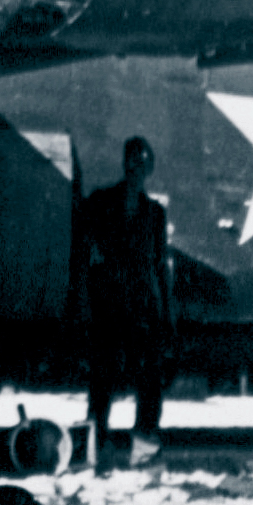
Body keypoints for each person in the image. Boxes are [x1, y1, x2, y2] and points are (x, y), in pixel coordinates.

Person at [72, 135, 176, 468]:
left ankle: (142, 453)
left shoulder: (154, 213)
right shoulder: (102, 203)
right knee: (102, 383)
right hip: (108, 305)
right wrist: (84, 301)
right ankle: (92, 451)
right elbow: (83, 250)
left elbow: (160, 265)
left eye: (143, 162)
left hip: (143, 308)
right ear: (125, 162)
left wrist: (167, 314)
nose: (137, 168)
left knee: (148, 385)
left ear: (149, 168)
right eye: (133, 160)